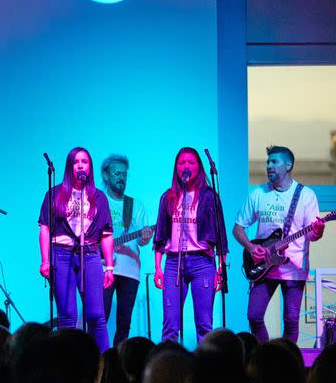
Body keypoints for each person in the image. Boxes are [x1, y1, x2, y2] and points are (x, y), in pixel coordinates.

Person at [233, 145, 324, 343]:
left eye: (275, 162)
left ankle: (286, 365)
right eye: (268, 162)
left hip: (293, 267)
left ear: (288, 165)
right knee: (254, 316)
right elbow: (237, 228)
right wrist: (250, 247)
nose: (269, 166)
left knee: (291, 320)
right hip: (263, 266)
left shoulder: (306, 195)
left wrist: (319, 231)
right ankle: (264, 358)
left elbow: (313, 235)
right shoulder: (258, 193)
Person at [38, 147, 114, 351]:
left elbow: (106, 234)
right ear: (70, 166)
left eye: (85, 161)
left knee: (96, 316)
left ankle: (105, 364)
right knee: (68, 317)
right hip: (60, 254)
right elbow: (44, 228)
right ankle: (69, 366)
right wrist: (45, 260)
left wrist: (109, 267)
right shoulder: (54, 194)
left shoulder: (99, 198)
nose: (81, 165)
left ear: (89, 167)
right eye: (76, 161)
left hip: (89, 254)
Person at [153, 147, 228, 343]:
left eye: (191, 162)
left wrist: (220, 269)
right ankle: (169, 369)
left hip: (202, 262)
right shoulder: (167, 197)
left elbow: (220, 236)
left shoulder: (209, 196)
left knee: (204, 324)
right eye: (182, 162)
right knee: (170, 324)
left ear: (199, 168)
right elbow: (160, 234)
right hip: (173, 262)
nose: (186, 166)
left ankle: (204, 370)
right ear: (176, 168)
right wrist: (157, 268)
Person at [100, 154, 153, 346]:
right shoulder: (98, 200)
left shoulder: (135, 205)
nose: (121, 177)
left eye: (124, 174)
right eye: (116, 173)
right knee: (100, 318)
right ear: (106, 175)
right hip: (103, 268)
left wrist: (146, 236)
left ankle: (118, 365)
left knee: (124, 324)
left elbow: (142, 240)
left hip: (130, 270)